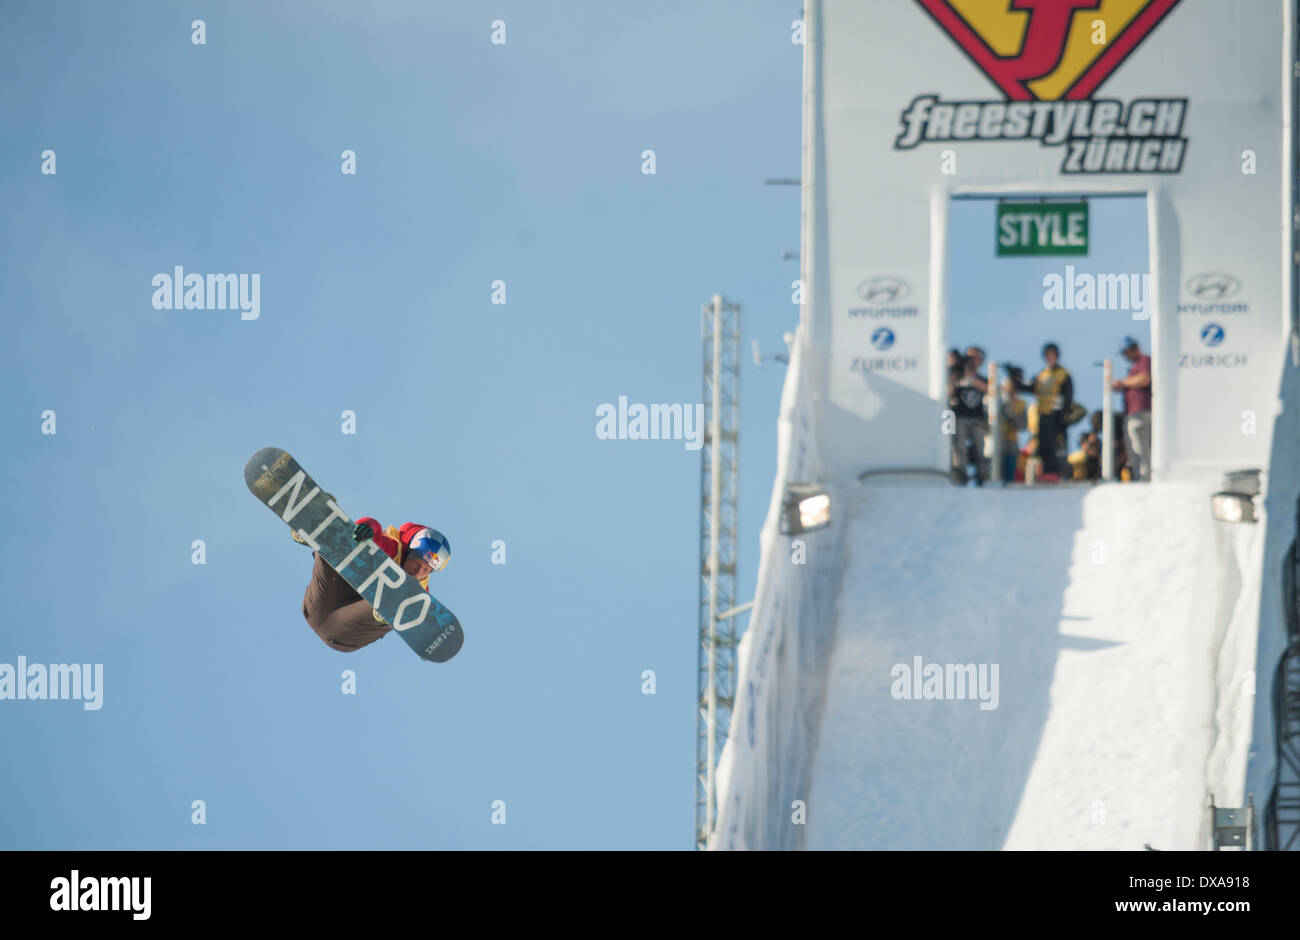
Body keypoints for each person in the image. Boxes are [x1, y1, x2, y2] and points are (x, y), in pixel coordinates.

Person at [295, 518, 451, 653]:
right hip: (321, 601)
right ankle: (316, 531)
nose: (419, 572)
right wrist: (366, 528)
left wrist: (425, 640)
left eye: (427, 570)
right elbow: (375, 531)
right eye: (417, 564)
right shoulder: (392, 549)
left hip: (343, 633)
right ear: (409, 553)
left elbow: (425, 619)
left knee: (408, 597)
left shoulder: (418, 592)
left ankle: (385, 610)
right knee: (353, 548)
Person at [1013, 342, 1073, 479]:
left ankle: (1058, 474)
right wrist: (1015, 381)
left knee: (1057, 447)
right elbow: (1030, 388)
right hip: (1043, 417)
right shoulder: (1042, 375)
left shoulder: (1063, 374)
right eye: (1047, 355)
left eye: (1052, 355)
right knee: (1044, 446)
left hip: (1057, 416)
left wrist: (1064, 416)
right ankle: (1047, 473)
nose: (1050, 358)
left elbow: (1068, 397)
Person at [1112, 336, 1152, 481]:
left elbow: (1145, 379)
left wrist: (1123, 383)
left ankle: (1144, 477)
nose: (1124, 356)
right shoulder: (1134, 366)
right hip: (1133, 414)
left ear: (1131, 349)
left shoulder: (1144, 361)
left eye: (1125, 352)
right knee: (1134, 448)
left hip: (1141, 414)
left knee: (1141, 448)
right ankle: (1139, 476)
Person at [948, 350, 989, 485]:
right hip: (960, 417)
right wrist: (955, 372)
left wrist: (972, 379)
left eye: (977, 358)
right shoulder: (957, 377)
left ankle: (982, 476)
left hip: (978, 419)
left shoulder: (982, 378)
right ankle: (961, 475)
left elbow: (988, 389)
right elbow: (949, 392)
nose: (973, 361)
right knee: (960, 448)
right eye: (970, 358)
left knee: (979, 448)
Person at [995, 365, 1028, 483]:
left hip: (1012, 440)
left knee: (1010, 466)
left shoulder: (1021, 404)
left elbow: (1023, 425)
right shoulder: (997, 399)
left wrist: (1013, 418)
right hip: (997, 439)